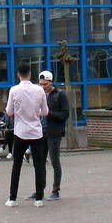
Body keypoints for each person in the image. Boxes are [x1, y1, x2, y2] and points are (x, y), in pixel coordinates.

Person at [4, 63, 48, 207]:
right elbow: (45, 112)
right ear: (30, 74)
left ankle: (12, 198)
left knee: (16, 165)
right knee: (39, 165)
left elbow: (9, 112)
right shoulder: (39, 90)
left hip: (20, 132)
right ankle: (39, 198)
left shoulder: (14, 90)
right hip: (36, 132)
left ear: (18, 74)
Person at [39, 70, 68, 200]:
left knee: (55, 161)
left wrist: (49, 114)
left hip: (54, 132)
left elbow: (64, 115)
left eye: (45, 84)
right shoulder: (40, 94)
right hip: (41, 132)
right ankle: (39, 189)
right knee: (39, 162)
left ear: (51, 82)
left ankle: (56, 190)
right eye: (41, 84)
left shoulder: (60, 95)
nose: (43, 86)